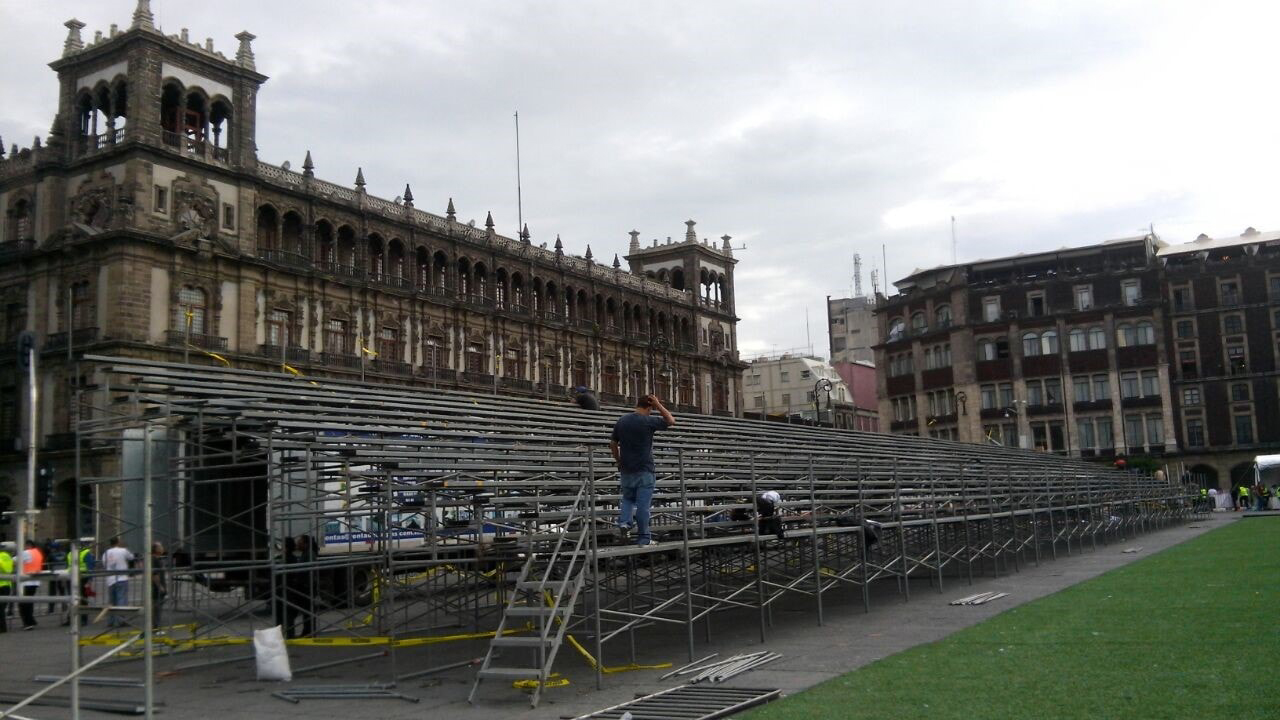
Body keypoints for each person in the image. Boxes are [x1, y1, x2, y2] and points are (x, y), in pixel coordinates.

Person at [609, 394, 675, 546]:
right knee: (643, 505)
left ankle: (624, 523)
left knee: (627, 499)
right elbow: (671, 421)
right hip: (645, 469)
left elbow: (612, 443)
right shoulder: (648, 421)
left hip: (626, 468)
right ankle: (644, 537)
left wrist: (618, 460)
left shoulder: (622, 420)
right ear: (650, 407)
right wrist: (659, 404)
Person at [102, 537, 135, 628]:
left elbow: (104, 564)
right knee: (121, 600)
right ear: (118, 542)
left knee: (112, 601)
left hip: (110, 579)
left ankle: (111, 620)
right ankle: (121, 620)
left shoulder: (106, 553)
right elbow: (131, 557)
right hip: (122, 578)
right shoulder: (123, 550)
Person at [19, 539, 44, 630]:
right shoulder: (37, 552)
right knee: (29, 602)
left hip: (26, 581)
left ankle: (28, 623)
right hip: (35, 581)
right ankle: (31, 621)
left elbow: (15, 560)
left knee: (24, 603)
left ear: (28, 545)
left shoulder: (26, 553)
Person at [150, 542, 168, 630]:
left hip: (158, 587)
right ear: (156, 549)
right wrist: (160, 586)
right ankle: (156, 627)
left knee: (158, 608)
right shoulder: (154, 559)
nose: (162, 548)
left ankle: (156, 626)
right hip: (156, 588)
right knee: (157, 608)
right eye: (160, 546)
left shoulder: (157, 559)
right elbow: (154, 574)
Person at [0, 543, 13, 632]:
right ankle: (3, 628)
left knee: (0, 609)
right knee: (1, 609)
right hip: (7, 585)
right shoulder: (7, 556)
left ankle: (2, 628)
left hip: (1, 585)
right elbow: (9, 569)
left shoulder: (1, 557)